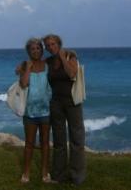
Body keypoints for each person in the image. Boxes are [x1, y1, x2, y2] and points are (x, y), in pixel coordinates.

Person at [43, 34, 86, 185]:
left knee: (76, 139)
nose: (50, 47)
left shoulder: (70, 55)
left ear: (59, 44)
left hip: (72, 102)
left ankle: (77, 176)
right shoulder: (48, 61)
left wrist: (62, 58)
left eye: (53, 44)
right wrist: (22, 67)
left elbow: (72, 74)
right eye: (47, 45)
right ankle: (58, 175)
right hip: (56, 103)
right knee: (59, 140)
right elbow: (36, 68)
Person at [18, 38, 52, 184]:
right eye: (32, 49)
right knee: (29, 143)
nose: (36, 51)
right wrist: (28, 68)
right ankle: (26, 173)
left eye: (38, 48)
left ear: (42, 50)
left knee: (45, 143)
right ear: (28, 51)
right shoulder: (25, 66)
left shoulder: (47, 65)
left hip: (46, 111)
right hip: (30, 112)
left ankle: (45, 173)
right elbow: (24, 84)